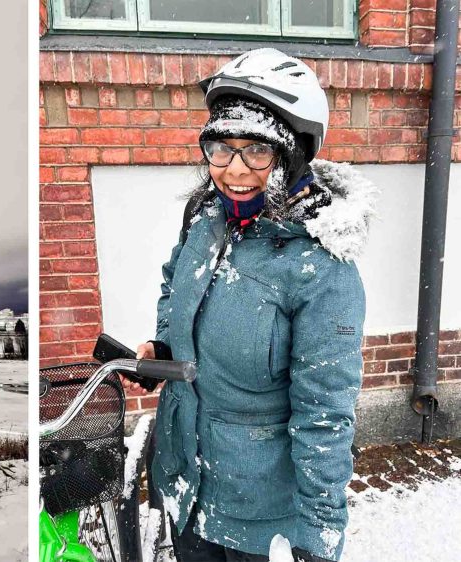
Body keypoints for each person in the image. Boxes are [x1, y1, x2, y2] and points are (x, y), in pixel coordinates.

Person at [129, 48, 377, 562]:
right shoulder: (206, 220)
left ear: (292, 155)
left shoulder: (321, 269)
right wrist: (164, 346)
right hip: (186, 486)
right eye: (221, 148)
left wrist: (319, 535)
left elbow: (324, 418)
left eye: (257, 151)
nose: (234, 169)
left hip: (260, 521)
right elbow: (177, 284)